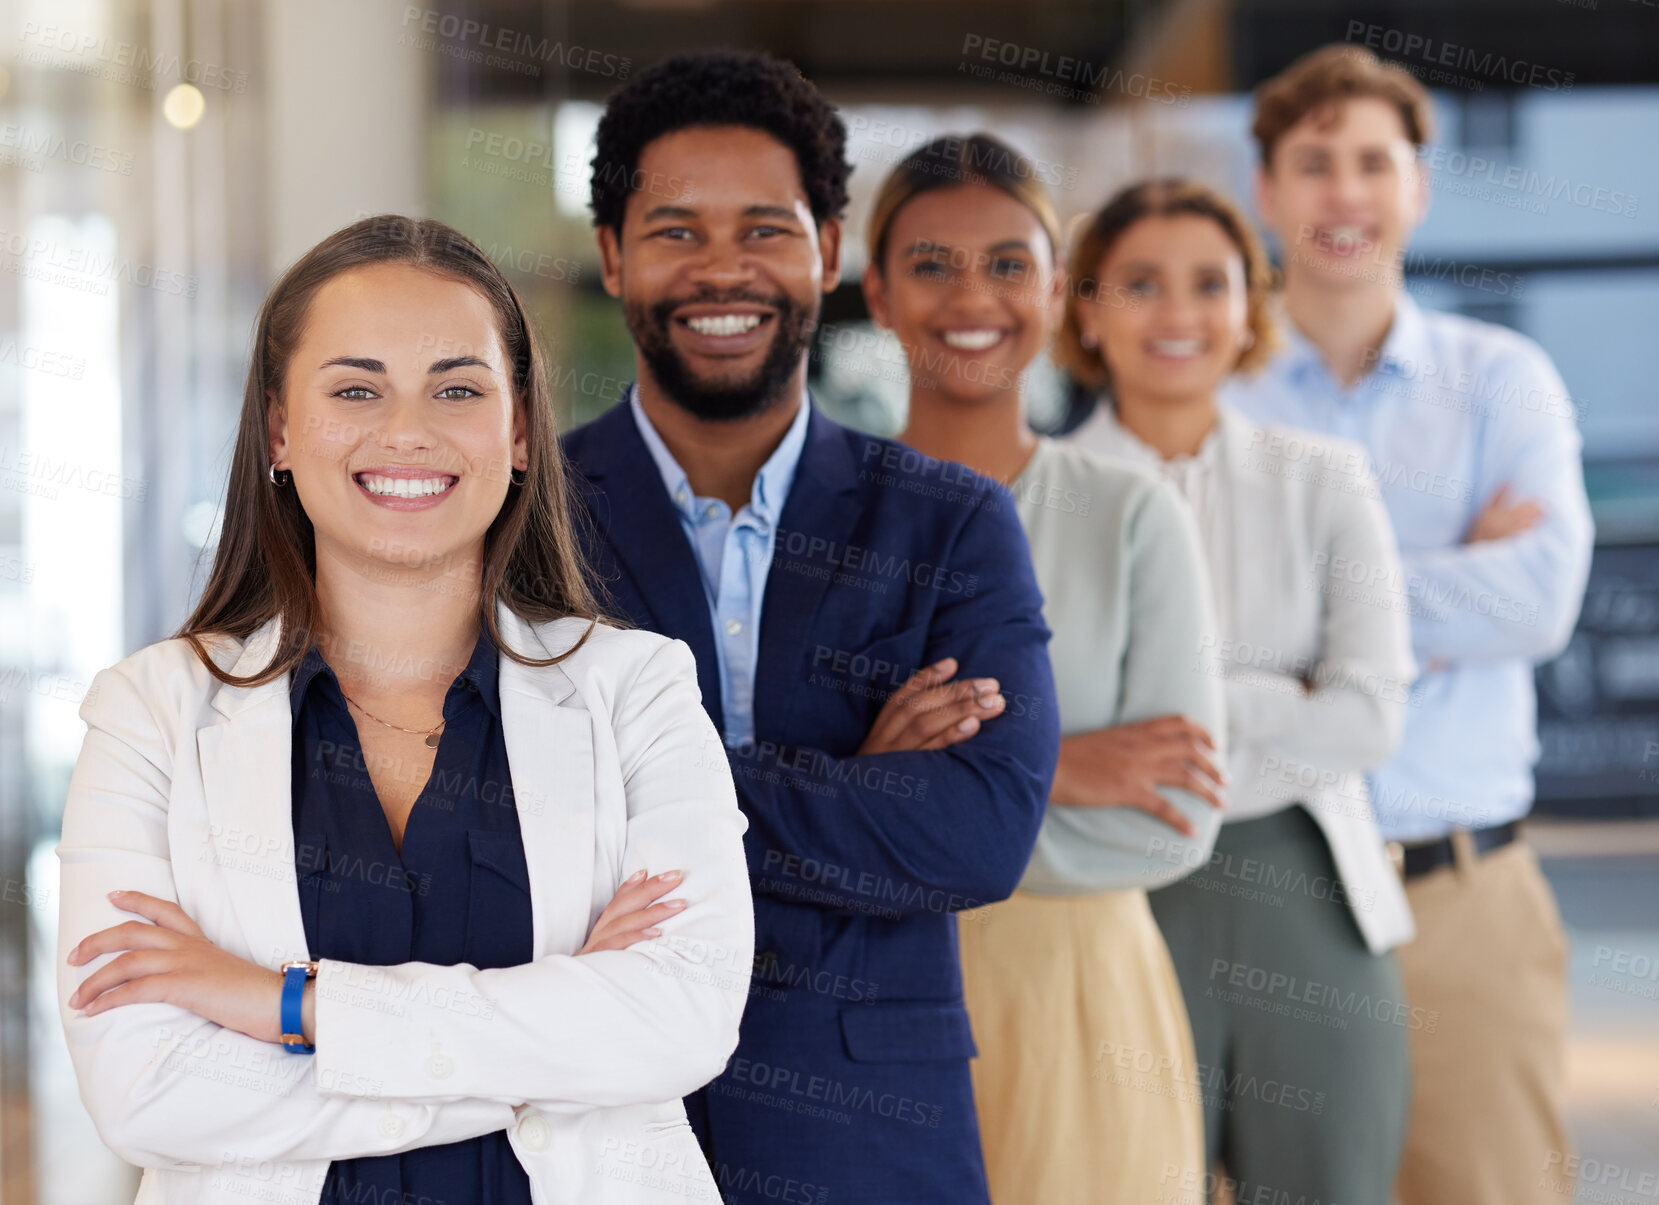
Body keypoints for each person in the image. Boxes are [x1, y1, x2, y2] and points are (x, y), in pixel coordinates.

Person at [56, 215, 754, 1205]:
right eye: (355, 387)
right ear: (280, 432)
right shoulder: (149, 712)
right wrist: (555, 1039)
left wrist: (283, 1004)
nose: (406, 431)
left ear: (517, 432)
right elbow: (146, 1092)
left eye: (458, 388)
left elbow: (682, 1017)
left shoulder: (636, 686)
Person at [560, 54, 1060, 1205]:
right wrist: (854, 781)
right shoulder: (524, 519)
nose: (722, 269)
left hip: (870, 1127)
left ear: (829, 252)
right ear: (612, 257)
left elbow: (979, 833)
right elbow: (495, 814)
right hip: (592, 1115)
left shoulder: (949, 520)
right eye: (675, 230)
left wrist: (646, 796)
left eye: (765, 229)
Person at [1223, 45, 1595, 1204]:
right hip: (1262, 896)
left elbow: (1540, 599)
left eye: (1374, 162)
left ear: (1418, 187)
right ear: (1267, 189)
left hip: (1462, 897)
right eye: (1314, 162)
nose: (1345, 193)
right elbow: (1198, 633)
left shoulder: (1503, 379)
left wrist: (1309, 606)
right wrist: (1439, 584)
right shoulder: (1205, 391)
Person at [861, 134, 1225, 1204]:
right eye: (931, 263)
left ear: (1060, 290)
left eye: (1009, 263)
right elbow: (790, 800)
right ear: (877, 291)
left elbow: (1176, 815)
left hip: (1087, 1007)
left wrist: (916, 787)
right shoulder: (821, 517)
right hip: (870, 997)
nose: (971, 295)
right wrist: (1055, 767)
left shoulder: (1132, 515)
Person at [1064, 179, 1419, 1203]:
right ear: (1086, 306)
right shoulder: (1033, 496)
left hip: (1308, 890)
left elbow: (1369, 714)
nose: (1177, 313)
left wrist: (1163, 711)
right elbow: (1046, 728)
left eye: (1209, 283)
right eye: (1140, 283)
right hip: (1110, 894)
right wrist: (1277, 690)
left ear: (1247, 307)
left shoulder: (1326, 478)